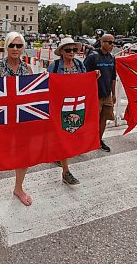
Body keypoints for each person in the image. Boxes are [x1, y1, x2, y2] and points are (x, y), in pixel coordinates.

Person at [47, 37, 100, 185]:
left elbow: (85, 81)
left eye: (74, 49)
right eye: (68, 49)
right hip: (59, 106)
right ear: (62, 51)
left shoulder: (79, 64)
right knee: (63, 135)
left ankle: (60, 157)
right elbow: (47, 83)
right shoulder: (55, 66)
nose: (72, 52)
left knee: (70, 135)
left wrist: (94, 76)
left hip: (76, 105)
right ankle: (66, 171)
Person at [0, 32, 34, 206]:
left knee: (23, 152)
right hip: (2, 117)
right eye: (12, 45)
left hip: (21, 117)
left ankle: (18, 188)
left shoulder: (27, 69)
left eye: (19, 45)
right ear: (6, 47)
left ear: (23, 48)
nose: (15, 49)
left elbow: (33, 93)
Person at [84, 34, 116, 153]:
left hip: (106, 94)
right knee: (91, 120)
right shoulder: (93, 57)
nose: (113, 45)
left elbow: (113, 77)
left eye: (113, 42)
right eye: (110, 42)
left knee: (104, 118)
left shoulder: (112, 58)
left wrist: (113, 94)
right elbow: (83, 75)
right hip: (94, 95)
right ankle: (86, 141)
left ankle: (99, 140)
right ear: (102, 43)